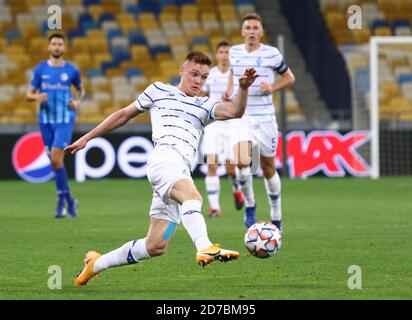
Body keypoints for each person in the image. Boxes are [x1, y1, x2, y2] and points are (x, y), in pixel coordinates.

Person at [64, 51, 257, 287]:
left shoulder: (204, 105)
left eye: (204, 77)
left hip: (179, 170)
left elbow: (235, 111)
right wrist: (87, 138)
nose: (198, 81)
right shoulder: (158, 90)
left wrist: (244, 88)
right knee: (193, 197)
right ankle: (204, 245)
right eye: (194, 74)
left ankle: (95, 264)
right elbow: (124, 114)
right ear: (181, 71)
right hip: (165, 159)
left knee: (155, 245)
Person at [223, 13, 296, 230]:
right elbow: (233, 74)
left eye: (256, 28)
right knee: (242, 160)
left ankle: (276, 215)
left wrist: (272, 88)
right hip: (241, 115)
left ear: (261, 32)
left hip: (265, 119)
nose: (252, 31)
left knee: (268, 168)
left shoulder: (272, 53)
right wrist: (229, 90)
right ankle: (250, 205)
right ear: (243, 31)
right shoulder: (234, 52)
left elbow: (290, 77)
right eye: (248, 28)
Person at [26, 33, 85, 218]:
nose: (57, 47)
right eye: (54, 44)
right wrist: (37, 97)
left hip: (65, 119)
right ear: (49, 47)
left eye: (60, 44)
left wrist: (76, 102)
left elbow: (81, 90)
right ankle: (69, 200)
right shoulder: (40, 69)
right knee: (55, 161)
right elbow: (29, 94)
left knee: (56, 158)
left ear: (64, 47)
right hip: (45, 121)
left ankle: (61, 202)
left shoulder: (72, 70)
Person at [201, 41, 245, 218]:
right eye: (221, 52)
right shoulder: (210, 75)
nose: (224, 55)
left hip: (232, 125)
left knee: (230, 168)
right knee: (211, 164)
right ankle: (214, 207)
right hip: (214, 124)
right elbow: (203, 96)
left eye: (227, 52)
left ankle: (236, 188)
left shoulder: (237, 76)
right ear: (217, 55)